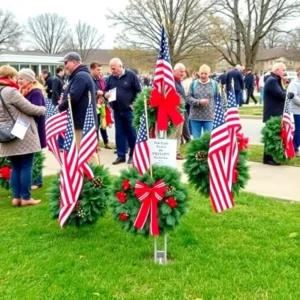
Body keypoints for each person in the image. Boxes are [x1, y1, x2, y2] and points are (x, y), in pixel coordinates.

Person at [0, 65, 46, 206]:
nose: (17, 79)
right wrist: (43, 109)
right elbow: (29, 108)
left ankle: (16, 197)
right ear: (9, 77)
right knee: (26, 166)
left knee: (16, 166)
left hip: (5, 133)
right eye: (15, 77)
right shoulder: (11, 91)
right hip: (21, 133)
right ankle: (26, 198)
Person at [58, 52, 99, 165]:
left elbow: (73, 97)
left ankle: (94, 179)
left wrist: (59, 108)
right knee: (82, 152)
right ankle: (88, 177)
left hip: (82, 122)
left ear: (74, 62)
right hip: (81, 120)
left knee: (86, 153)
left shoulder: (80, 76)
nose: (64, 65)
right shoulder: (80, 75)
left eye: (66, 62)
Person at [105, 58, 141, 165]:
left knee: (131, 133)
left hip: (129, 111)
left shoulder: (131, 76)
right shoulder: (111, 78)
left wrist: (135, 103)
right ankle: (121, 156)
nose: (112, 71)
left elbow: (139, 91)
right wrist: (106, 94)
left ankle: (132, 155)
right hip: (117, 110)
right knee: (119, 134)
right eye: (111, 69)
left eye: (114, 68)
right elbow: (106, 89)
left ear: (120, 66)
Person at [18, 68, 46, 190]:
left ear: (29, 80)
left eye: (21, 78)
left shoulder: (36, 92)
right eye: (18, 78)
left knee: (35, 155)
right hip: (24, 126)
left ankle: (38, 181)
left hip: (35, 128)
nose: (19, 81)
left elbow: (37, 110)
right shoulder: (23, 92)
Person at [263, 62, 294, 165]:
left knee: (274, 135)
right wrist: (290, 94)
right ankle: (268, 158)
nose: (285, 72)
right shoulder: (272, 80)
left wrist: (284, 85)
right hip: (272, 112)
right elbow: (280, 95)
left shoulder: (276, 80)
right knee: (271, 136)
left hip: (276, 111)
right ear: (277, 70)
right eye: (283, 70)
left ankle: (271, 157)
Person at [186, 64, 218, 138]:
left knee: (208, 140)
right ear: (198, 73)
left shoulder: (214, 84)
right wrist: (199, 102)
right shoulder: (193, 84)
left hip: (209, 117)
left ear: (209, 74)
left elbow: (219, 99)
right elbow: (188, 98)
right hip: (195, 116)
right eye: (201, 73)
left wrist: (217, 112)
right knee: (196, 140)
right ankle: (197, 150)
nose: (203, 75)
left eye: (205, 74)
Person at [89, 61, 113, 149]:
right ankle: (95, 144)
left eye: (100, 70)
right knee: (96, 125)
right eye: (97, 70)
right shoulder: (88, 79)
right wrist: (96, 92)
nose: (99, 72)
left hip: (102, 104)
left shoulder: (101, 80)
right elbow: (87, 91)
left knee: (103, 124)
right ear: (91, 69)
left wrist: (105, 93)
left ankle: (106, 142)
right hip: (93, 105)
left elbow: (105, 89)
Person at [173, 63, 189, 159]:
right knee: (173, 133)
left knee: (179, 133)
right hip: (173, 112)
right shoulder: (172, 82)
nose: (182, 73)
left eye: (183, 71)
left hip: (181, 111)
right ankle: (171, 152)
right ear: (174, 71)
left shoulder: (179, 81)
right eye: (181, 71)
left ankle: (176, 152)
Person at [288, 67, 300, 156]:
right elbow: (294, 97)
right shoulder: (294, 83)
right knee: (298, 130)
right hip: (297, 110)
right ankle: (294, 148)